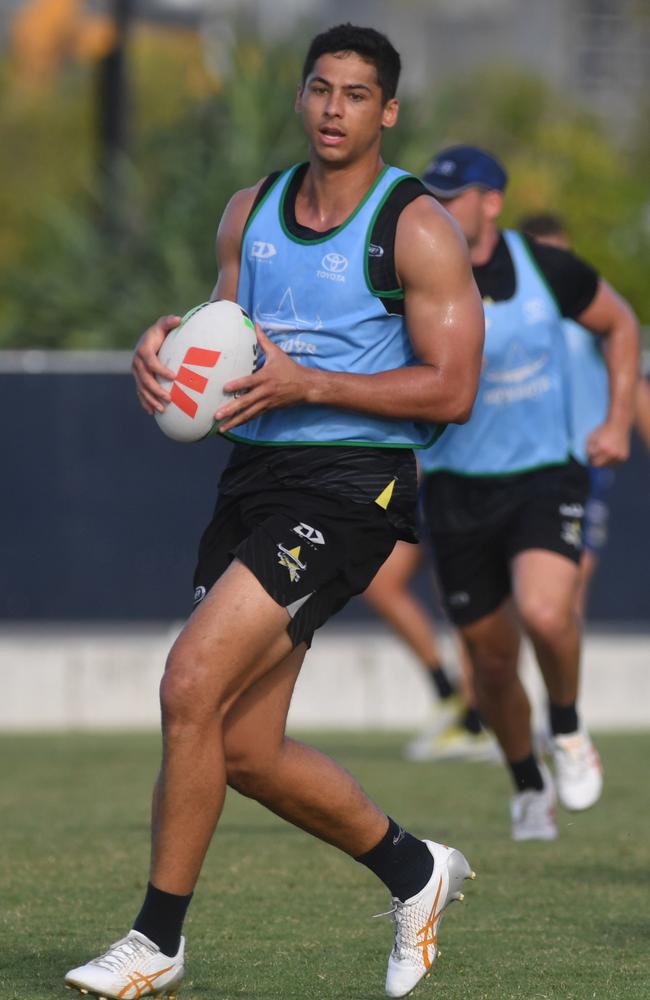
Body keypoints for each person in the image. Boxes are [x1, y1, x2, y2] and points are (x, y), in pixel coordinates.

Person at [64, 26, 484, 1000]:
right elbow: (223, 334)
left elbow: (452, 388)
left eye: (356, 94)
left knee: (187, 680)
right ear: (301, 99)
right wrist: (165, 348)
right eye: (319, 89)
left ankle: (155, 941)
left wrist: (308, 382)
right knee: (242, 745)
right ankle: (414, 870)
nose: (334, 108)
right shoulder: (248, 212)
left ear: (387, 111)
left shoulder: (413, 226)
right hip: (253, 480)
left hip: (351, 489)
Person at [418, 146, 639, 841]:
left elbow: (621, 325)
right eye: (436, 197)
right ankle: (526, 785)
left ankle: (568, 730)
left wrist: (617, 418)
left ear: (491, 202)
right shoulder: (413, 272)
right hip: (454, 487)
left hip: (546, 474)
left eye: (457, 197)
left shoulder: (548, 268)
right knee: (489, 659)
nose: (444, 210)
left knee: (547, 613)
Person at [519, 212, 650, 620]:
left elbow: (635, 386)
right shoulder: (505, 314)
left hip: (580, 463)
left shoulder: (592, 317)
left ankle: (558, 686)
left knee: (568, 584)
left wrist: (622, 428)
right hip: (513, 465)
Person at [363, 536, 497, 763]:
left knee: (457, 593)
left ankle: (474, 722)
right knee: (378, 580)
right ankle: (447, 693)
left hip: (463, 506)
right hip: (424, 504)